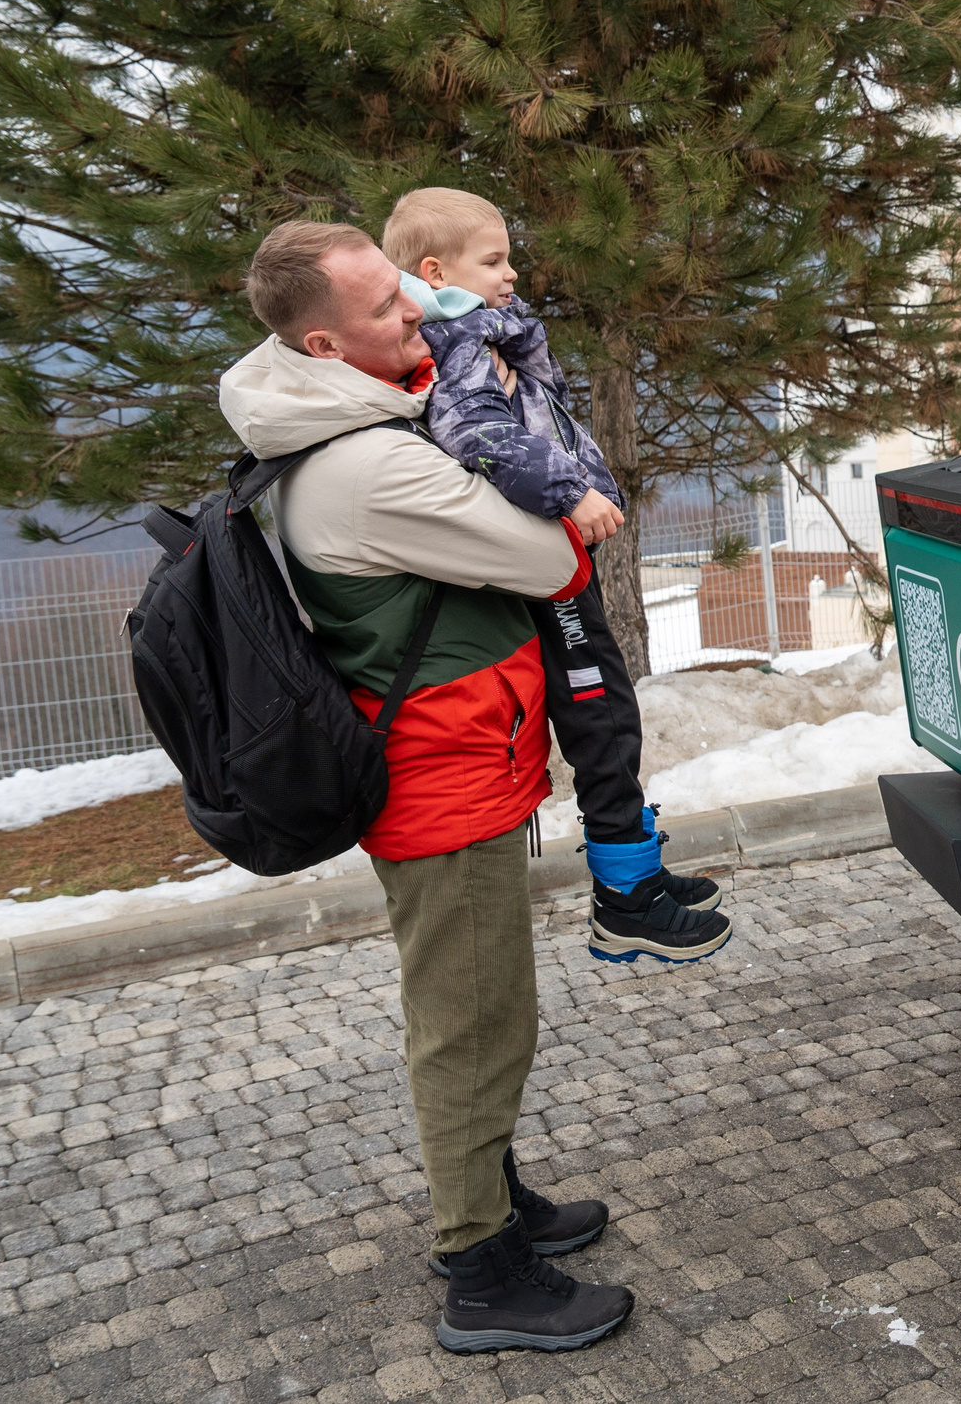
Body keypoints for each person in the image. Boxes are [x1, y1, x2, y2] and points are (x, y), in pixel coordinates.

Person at [219, 219, 631, 1355]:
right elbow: (554, 559)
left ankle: (500, 1202)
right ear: (320, 338)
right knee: (473, 1023)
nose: (416, 313)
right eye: (386, 309)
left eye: (404, 289)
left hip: (463, 759)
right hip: (439, 783)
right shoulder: (369, 462)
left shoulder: (346, 411)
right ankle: (478, 1266)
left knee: (484, 1011)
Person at [381, 187, 727, 963]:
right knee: (599, 718)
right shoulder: (460, 340)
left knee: (606, 714)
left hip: (554, 557)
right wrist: (569, 492)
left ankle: (637, 870)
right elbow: (478, 433)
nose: (512, 273)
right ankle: (626, 896)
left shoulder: (481, 331)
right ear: (435, 270)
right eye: (494, 260)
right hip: (542, 563)